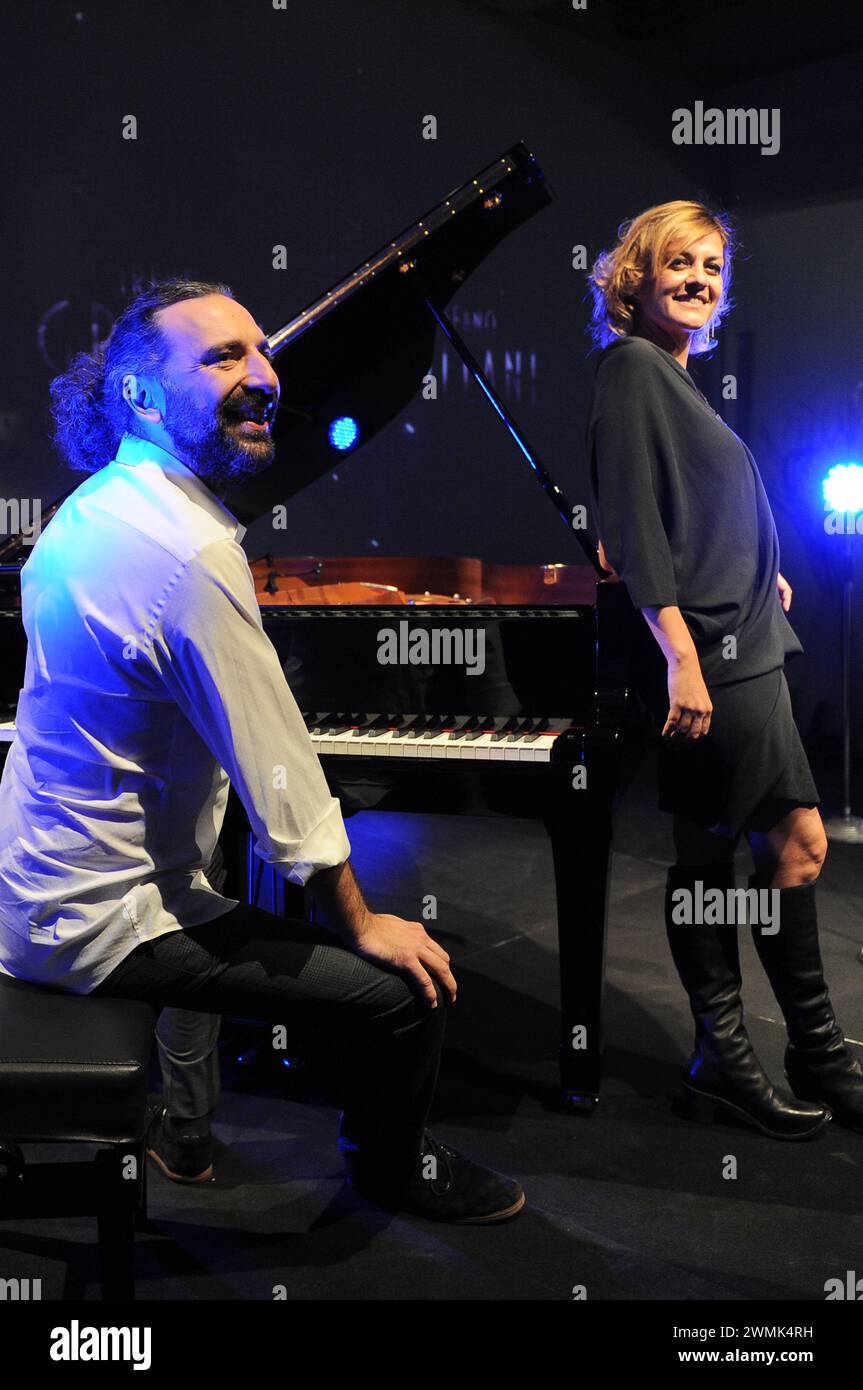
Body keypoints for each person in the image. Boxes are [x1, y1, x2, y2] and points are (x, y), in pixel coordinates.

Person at [0, 277, 524, 1222]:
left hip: (39, 889)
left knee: (230, 891)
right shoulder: (189, 554)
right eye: (223, 356)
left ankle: (190, 1129)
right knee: (403, 994)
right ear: (140, 395)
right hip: (107, 921)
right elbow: (282, 779)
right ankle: (391, 1166)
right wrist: (362, 922)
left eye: (262, 349)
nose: (265, 374)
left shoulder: (84, 514)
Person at [586, 201, 863, 1139]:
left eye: (710, 264)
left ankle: (761, 1056)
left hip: (740, 642)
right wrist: (680, 661)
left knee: (727, 850)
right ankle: (753, 1053)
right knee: (788, 843)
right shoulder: (631, 369)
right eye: (677, 262)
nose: (698, 277)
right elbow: (629, 526)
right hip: (711, 657)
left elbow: (698, 509)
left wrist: (762, 569)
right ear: (637, 274)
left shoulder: (673, 376)